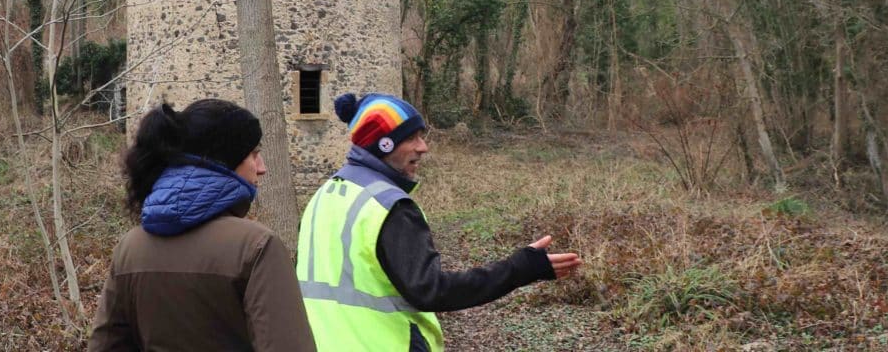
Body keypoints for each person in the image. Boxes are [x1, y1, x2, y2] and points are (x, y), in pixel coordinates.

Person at [296, 93, 582, 352]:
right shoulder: (389, 206)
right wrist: (521, 268)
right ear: (383, 143)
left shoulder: (324, 195)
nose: (424, 147)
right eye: (412, 138)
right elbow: (432, 290)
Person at [89, 99, 316, 352]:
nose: (262, 168)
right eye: (253, 154)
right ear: (225, 160)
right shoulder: (257, 247)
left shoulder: (130, 248)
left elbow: (106, 346)